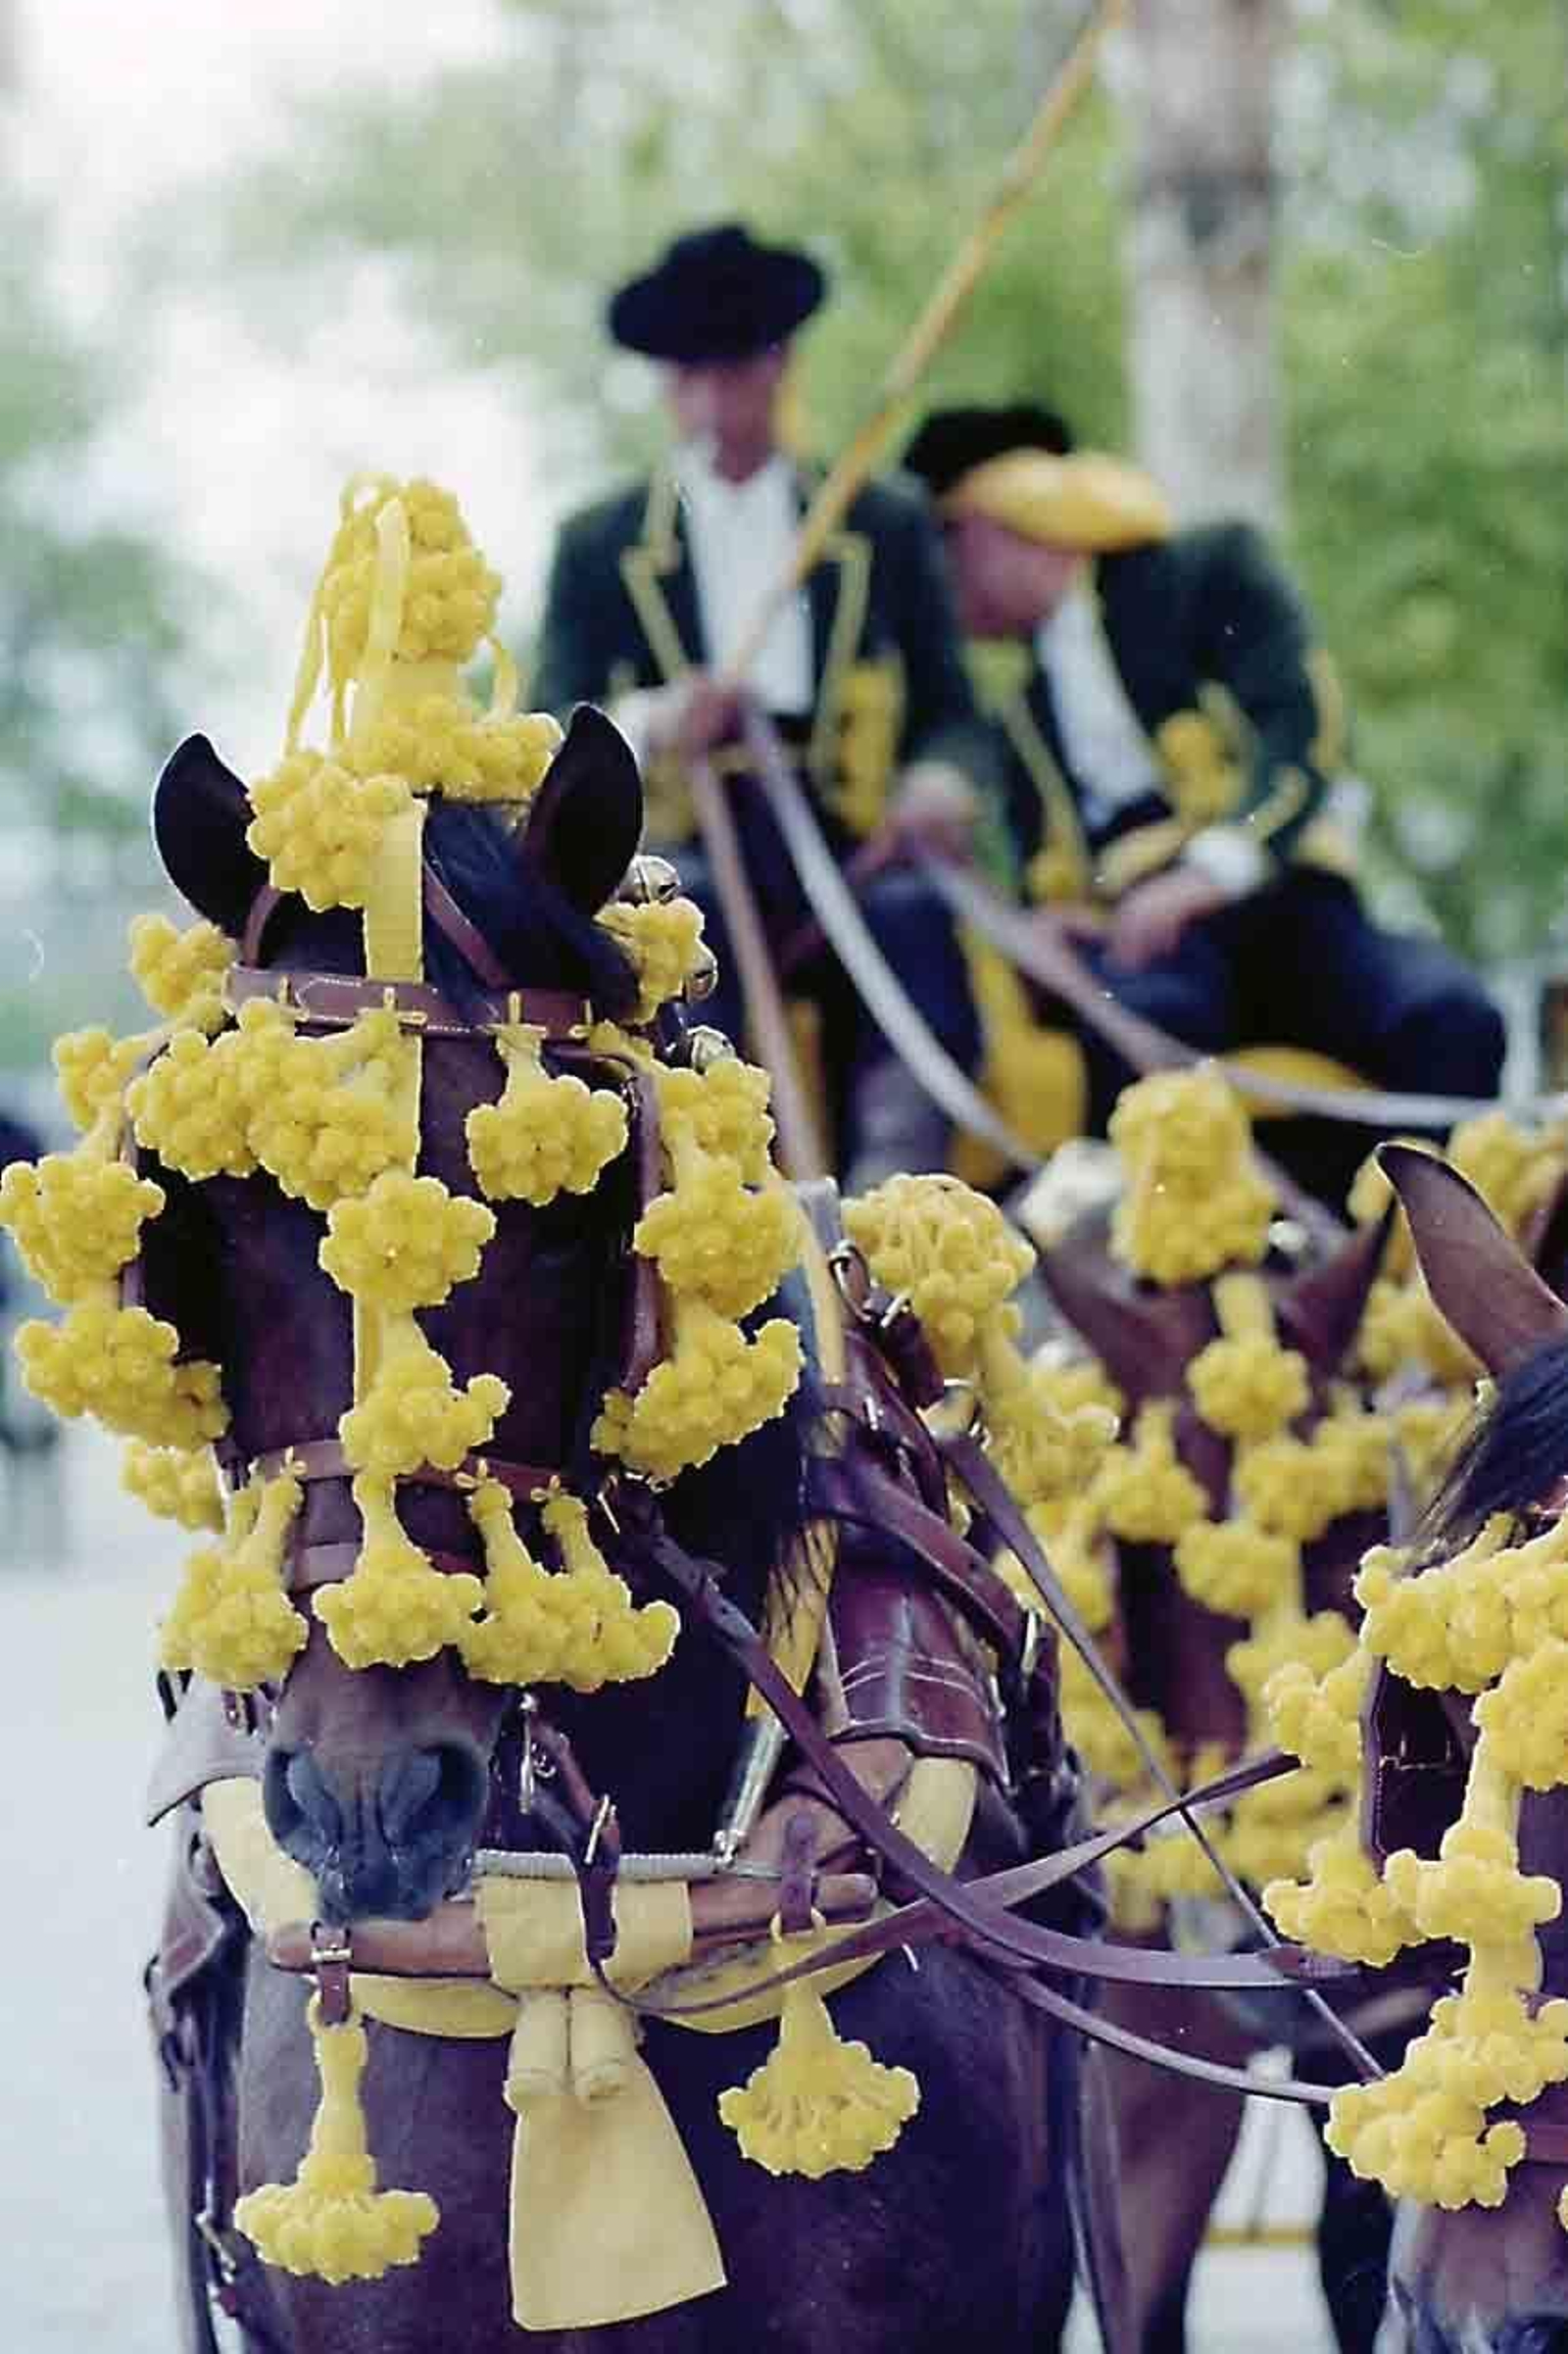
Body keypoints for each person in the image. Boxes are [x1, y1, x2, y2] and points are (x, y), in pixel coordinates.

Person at [903, 402, 1507, 1203]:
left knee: (1451, 1015)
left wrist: (1208, 875)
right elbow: (1045, 865)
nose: (940, 587)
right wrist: (1051, 920)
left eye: (943, 549)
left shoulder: (1210, 572)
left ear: (986, 528)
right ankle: (1192, 1270)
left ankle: (1420, 1255)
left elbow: (1304, 733)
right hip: (1152, 948)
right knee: (1143, 1027)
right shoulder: (1017, 715)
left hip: (1287, 902)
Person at [532, 222, 1000, 1189]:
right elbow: (545, 723)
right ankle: (714, 1192)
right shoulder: (598, 542)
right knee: (681, 929)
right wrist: (658, 718)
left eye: (734, 369)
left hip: (849, 840)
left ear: (779, 364)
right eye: (689, 375)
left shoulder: (880, 520)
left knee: (915, 920)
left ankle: (899, 1194)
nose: (713, 399)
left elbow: (953, 711)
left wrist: (936, 784)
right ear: (667, 384)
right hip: (682, 840)